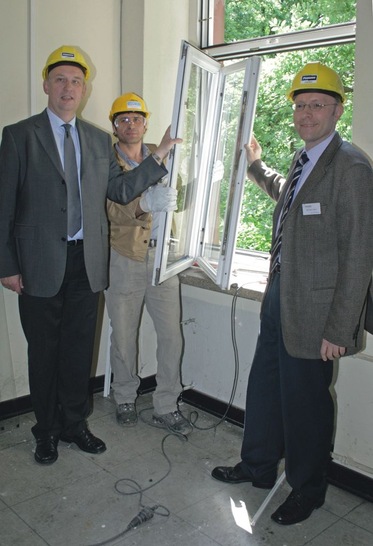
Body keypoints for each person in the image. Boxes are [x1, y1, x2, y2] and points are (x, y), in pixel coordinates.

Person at [0, 46, 181, 465]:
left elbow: (119, 190)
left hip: (89, 261)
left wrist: (159, 155)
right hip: (39, 263)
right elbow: (4, 205)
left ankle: (74, 424)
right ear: (46, 85)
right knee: (44, 351)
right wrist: (6, 265)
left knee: (79, 349)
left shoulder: (99, 139)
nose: (68, 88)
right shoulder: (19, 135)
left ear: (84, 90)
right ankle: (45, 430)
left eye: (76, 81)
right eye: (60, 79)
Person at [211, 62, 373, 525]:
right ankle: (258, 466)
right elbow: (288, 197)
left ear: (337, 110)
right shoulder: (306, 161)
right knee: (264, 387)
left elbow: (361, 255)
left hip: (319, 315)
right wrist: (256, 166)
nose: (306, 114)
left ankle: (308, 489)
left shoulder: (353, 167)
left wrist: (340, 328)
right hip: (281, 296)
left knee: (306, 406)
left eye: (317, 105)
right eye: (301, 106)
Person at [105, 93, 192, 435]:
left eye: (136, 118)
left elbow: (177, 200)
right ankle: (125, 396)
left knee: (172, 336)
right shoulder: (107, 161)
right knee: (124, 336)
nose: (131, 124)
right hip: (124, 258)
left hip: (163, 258)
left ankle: (167, 404)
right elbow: (110, 207)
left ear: (146, 122)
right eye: (123, 119)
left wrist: (202, 187)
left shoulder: (165, 153)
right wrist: (143, 203)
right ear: (114, 125)